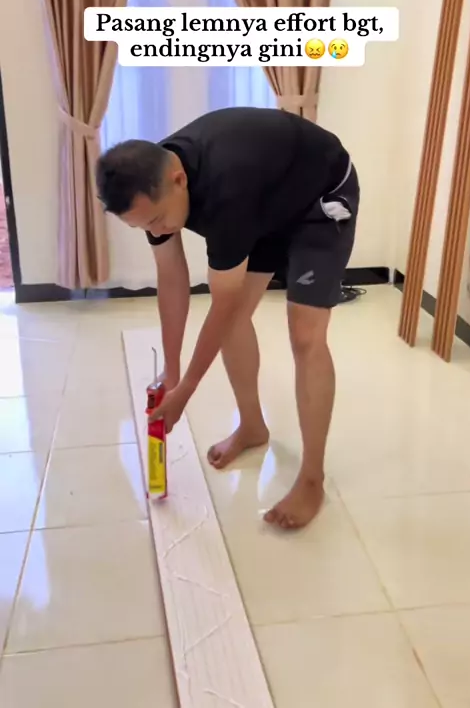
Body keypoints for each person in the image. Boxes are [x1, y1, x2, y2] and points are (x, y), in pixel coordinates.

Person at [96, 106, 360, 529]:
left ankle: (312, 480)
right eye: (145, 226)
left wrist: (187, 388)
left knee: (305, 335)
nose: (157, 231)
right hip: (267, 198)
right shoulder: (149, 182)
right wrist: (172, 370)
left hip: (319, 196)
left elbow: (221, 303)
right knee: (236, 320)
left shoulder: (226, 191)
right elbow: (171, 277)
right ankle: (252, 427)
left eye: (158, 220)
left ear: (179, 180)